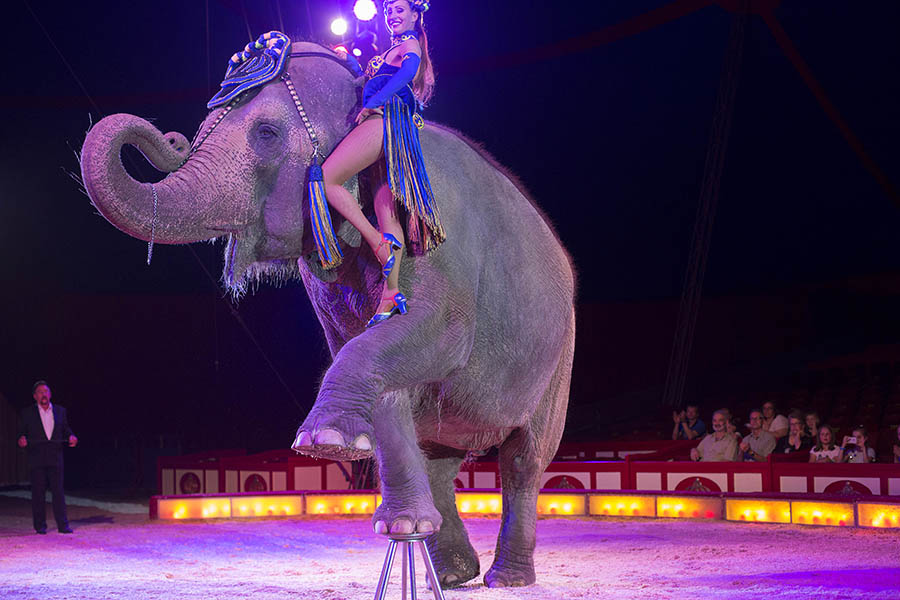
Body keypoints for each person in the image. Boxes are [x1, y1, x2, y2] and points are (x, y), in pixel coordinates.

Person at [319, 0, 443, 327]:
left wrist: (374, 102)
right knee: (387, 210)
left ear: (415, 15)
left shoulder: (410, 44)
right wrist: (354, 67)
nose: (392, 16)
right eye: (389, 12)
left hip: (385, 122)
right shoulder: (393, 48)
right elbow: (380, 78)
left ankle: (377, 245)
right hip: (391, 127)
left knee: (326, 178)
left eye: (399, 10)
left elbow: (407, 73)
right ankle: (391, 293)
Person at [16, 381, 77, 534]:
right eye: (40, 392)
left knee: (58, 492)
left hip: (55, 457)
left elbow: (66, 429)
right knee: (38, 492)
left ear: (50, 394)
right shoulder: (27, 413)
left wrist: (71, 436)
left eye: (46, 391)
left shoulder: (60, 411)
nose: (44, 394)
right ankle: (40, 526)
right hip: (36, 458)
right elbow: (21, 433)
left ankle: (63, 525)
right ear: (35, 396)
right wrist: (22, 439)